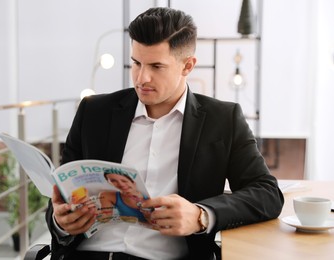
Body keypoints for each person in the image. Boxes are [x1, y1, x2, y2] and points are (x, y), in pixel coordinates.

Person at [46, 6, 284, 260]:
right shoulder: (94, 112)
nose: (141, 78)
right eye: (136, 63)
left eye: (156, 66)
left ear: (188, 66)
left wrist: (200, 215)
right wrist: (61, 221)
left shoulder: (223, 120)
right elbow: (61, 194)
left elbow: (266, 193)